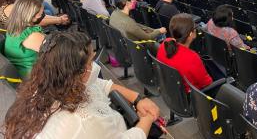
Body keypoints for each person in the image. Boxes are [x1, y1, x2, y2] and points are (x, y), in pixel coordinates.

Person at [5, 31, 160, 138]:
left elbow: (100, 84)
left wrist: (137, 98)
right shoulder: (83, 122)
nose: (94, 66)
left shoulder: (49, 84)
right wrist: (146, 120)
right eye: (91, 61)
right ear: (80, 71)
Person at [157, 13, 213, 93]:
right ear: (190, 34)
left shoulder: (165, 43)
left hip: (172, 90)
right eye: (194, 28)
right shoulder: (192, 57)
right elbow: (207, 83)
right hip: (192, 96)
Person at [4, 0, 46, 78]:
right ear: (30, 15)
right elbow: (57, 54)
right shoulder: (32, 35)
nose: (41, 15)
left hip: (23, 71)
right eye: (40, 14)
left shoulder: (13, 27)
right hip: (35, 77)